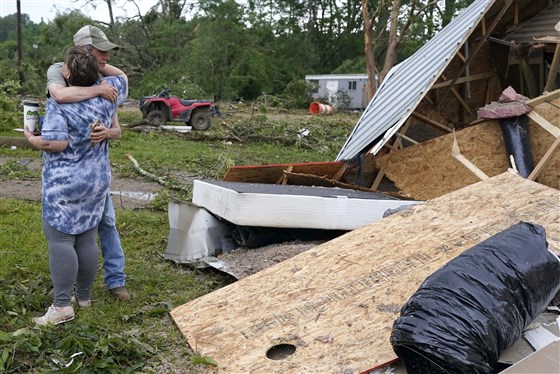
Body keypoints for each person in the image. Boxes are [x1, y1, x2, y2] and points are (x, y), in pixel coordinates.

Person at [25, 46, 127, 325]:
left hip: (65, 184)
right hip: (96, 180)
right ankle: (83, 297)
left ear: (67, 73)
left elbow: (55, 143)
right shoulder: (109, 95)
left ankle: (61, 307)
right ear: (95, 72)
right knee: (86, 237)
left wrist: (32, 139)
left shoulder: (61, 103)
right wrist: (100, 68)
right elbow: (122, 76)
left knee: (60, 239)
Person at [46, 25, 130, 301]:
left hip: (80, 176)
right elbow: (59, 95)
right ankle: (77, 291)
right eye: (100, 51)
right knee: (81, 235)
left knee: (100, 225)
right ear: (83, 49)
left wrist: (107, 132)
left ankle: (113, 281)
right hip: (93, 175)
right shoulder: (58, 71)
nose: (106, 56)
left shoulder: (103, 77)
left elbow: (116, 130)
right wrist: (98, 91)